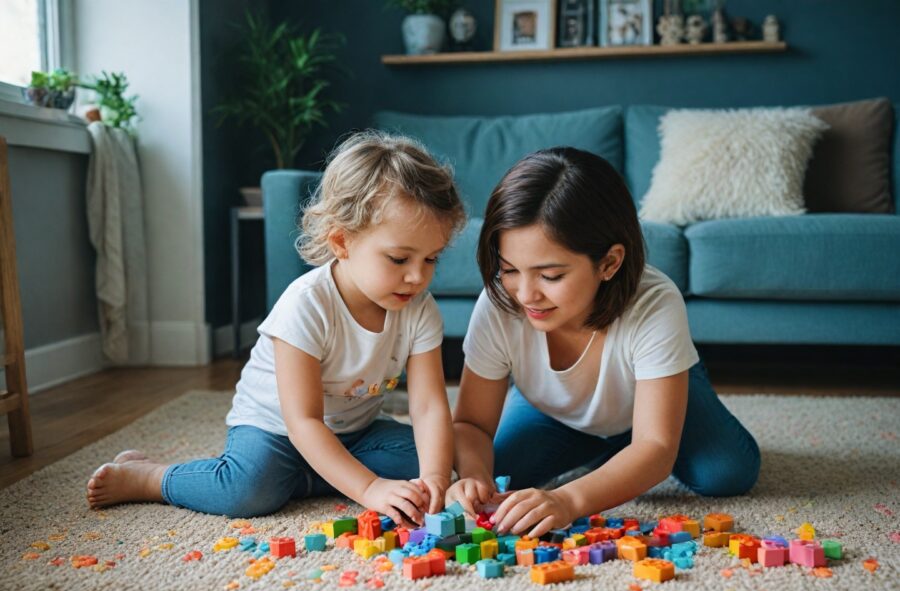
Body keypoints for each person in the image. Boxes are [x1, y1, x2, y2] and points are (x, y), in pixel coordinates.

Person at [87, 131, 466, 525]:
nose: (417, 277)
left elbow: (427, 406)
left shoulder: (419, 309)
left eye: (431, 259)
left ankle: (307, 478)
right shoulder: (306, 304)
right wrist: (370, 489)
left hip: (355, 433)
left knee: (427, 456)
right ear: (341, 241)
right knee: (246, 489)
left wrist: (436, 479)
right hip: (275, 432)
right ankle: (151, 477)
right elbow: (302, 422)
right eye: (399, 259)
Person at [446, 147, 760, 536]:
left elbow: (656, 449)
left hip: (651, 393)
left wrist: (568, 499)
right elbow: (473, 424)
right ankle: (609, 453)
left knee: (726, 474)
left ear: (609, 263)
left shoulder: (654, 302)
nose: (526, 294)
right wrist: (475, 477)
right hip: (552, 409)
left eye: (550, 276)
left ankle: (624, 445)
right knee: (506, 475)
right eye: (510, 269)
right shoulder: (499, 303)